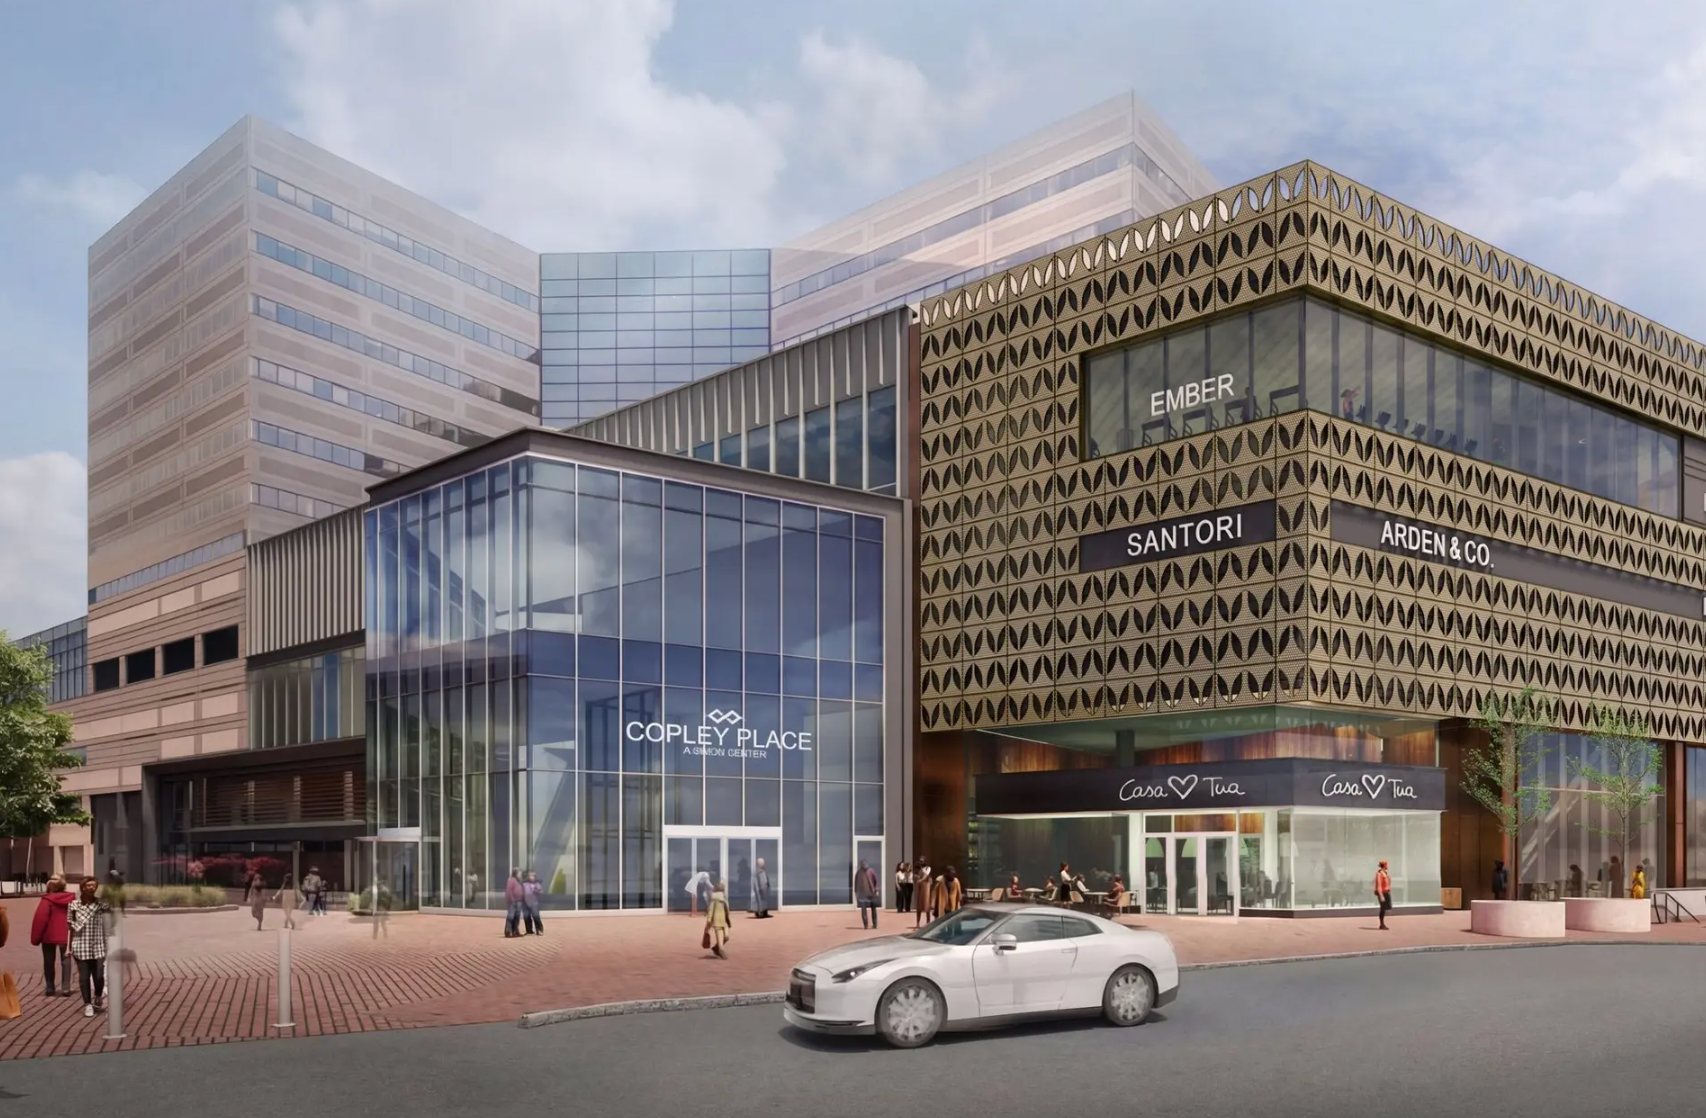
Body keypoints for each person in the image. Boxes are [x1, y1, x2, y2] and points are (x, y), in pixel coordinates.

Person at [67, 877, 111, 1019]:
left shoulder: (101, 905)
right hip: (81, 945)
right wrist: (69, 947)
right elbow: (70, 927)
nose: (92, 888)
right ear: (83, 888)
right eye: (89, 885)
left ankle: (98, 995)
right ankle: (87, 1004)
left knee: (99, 975)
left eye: (94, 885)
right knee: (84, 977)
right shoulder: (73, 905)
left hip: (98, 945)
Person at [30, 875, 75, 998]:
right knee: (66, 961)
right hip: (66, 934)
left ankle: (50, 986)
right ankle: (66, 987)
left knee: (49, 961)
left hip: (49, 935)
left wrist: (35, 938)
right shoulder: (71, 899)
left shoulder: (47, 901)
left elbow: (41, 919)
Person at [705, 878, 732, 959]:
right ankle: (720, 950)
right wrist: (709, 920)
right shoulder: (715, 899)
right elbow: (710, 910)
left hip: (725, 921)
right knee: (721, 938)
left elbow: (727, 910)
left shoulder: (724, 898)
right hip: (717, 922)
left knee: (726, 937)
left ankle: (716, 948)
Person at [855, 859, 881, 929]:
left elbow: (876, 881)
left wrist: (876, 889)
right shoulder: (859, 873)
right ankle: (865, 924)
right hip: (862, 894)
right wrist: (856, 892)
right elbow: (856, 882)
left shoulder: (871, 871)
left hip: (871, 893)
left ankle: (875, 923)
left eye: (865, 864)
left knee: (873, 908)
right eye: (862, 864)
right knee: (863, 909)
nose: (864, 865)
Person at [912, 860, 934, 927]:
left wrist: (920, 880)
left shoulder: (928, 868)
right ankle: (917, 922)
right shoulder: (917, 869)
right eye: (920, 861)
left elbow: (926, 875)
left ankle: (928, 922)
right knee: (919, 905)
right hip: (919, 887)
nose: (920, 862)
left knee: (926, 905)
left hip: (926, 887)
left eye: (922, 861)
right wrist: (916, 876)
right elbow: (914, 876)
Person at [504, 869, 525, 937]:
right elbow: (509, 891)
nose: (520, 874)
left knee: (517, 918)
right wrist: (512, 900)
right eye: (519, 873)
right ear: (515, 873)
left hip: (519, 901)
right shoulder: (511, 880)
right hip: (513, 902)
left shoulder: (519, 881)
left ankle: (515, 931)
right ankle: (508, 932)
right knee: (511, 917)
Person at [522, 871, 544, 935]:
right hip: (525, 903)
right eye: (530, 876)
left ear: (534, 877)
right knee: (526, 917)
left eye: (532, 876)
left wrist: (536, 890)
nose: (531, 877)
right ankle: (529, 930)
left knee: (536, 916)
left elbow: (540, 892)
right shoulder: (524, 884)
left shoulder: (537, 884)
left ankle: (539, 930)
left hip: (534, 902)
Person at [1374, 860, 1393, 930]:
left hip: (1386, 892)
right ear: (1384, 865)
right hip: (1382, 893)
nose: (1387, 866)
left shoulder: (1385, 873)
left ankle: (1382, 923)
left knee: (1385, 908)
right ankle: (1381, 924)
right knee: (1382, 908)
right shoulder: (1379, 874)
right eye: (1386, 864)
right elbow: (1379, 885)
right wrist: (1381, 895)